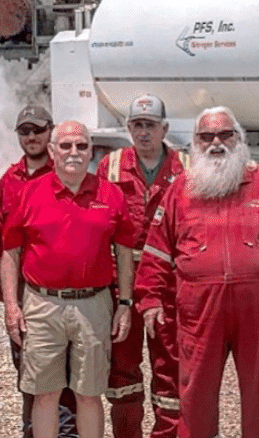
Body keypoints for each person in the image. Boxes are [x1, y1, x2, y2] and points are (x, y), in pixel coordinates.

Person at [134, 106, 259, 438]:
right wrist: (149, 298)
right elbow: (156, 250)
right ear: (195, 142)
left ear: (239, 138)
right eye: (206, 137)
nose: (216, 143)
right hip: (199, 310)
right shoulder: (181, 189)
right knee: (196, 391)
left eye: (225, 135)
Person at [1, 120, 135, 438]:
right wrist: (10, 305)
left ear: (91, 150)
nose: (74, 152)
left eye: (81, 146)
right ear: (52, 151)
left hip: (94, 304)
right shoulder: (29, 193)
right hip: (42, 304)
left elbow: (125, 254)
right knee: (45, 393)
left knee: (89, 394)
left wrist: (125, 303)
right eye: (65, 146)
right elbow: (10, 253)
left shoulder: (110, 194)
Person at [95, 95, 188, 438]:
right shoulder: (112, 166)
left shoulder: (186, 169)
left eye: (150, 125)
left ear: (164, 128)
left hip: (170, 284)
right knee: (122, 369)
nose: (144, 132)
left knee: (170, 367)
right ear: (128, 128)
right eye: (137, 125)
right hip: (124, 283)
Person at [0, 105, 77, 438]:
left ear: (50, 132)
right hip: (26, 287)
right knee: (31, 373)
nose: (31, 137)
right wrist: (8, 300)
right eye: (24, 131)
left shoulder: (65, 172)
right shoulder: (9, 181)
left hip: (62, 285)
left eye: (37, 130)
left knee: (68, 373)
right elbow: (1, 242)